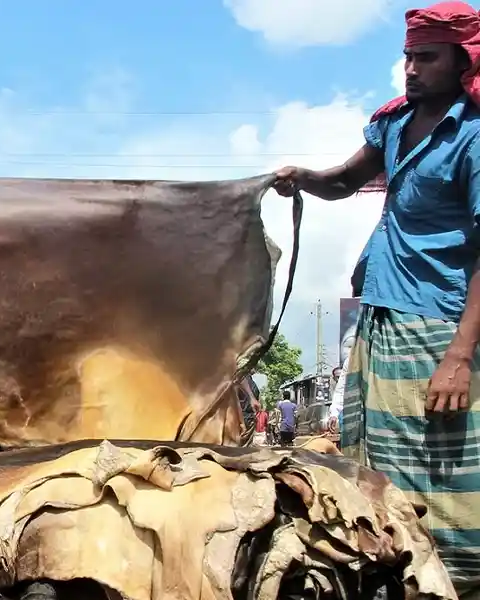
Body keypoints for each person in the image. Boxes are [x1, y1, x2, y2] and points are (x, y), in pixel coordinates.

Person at [273, 3, 480, 593]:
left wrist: (460, 356)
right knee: (382, 464)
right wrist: (301, 178)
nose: (411, 69)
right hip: (384, 314)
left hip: (441, 323)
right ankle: (397, 571)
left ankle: (459, 581)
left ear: (462, 61)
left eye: (426, 57)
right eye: (408, 57)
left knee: (445, 466)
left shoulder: (473, 136)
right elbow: (344, 181)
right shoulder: (394, 125)